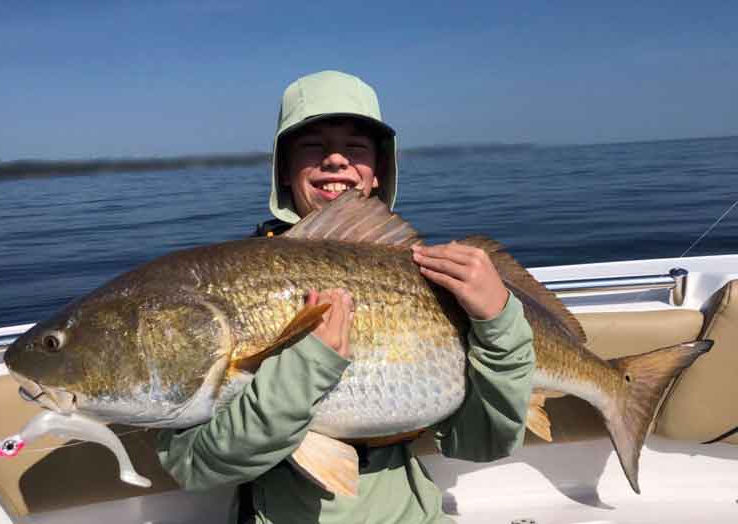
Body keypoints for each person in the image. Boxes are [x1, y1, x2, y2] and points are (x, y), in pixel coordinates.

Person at [157, 70, 536, 523]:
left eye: (356, 148)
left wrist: (500, 320)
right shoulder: (220, 285)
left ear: (379, 170)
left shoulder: (437, 281)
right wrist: (306, 370)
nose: (336, 160)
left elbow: (484, 442)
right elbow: (200, 466)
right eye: (312, 146)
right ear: (283, 167)